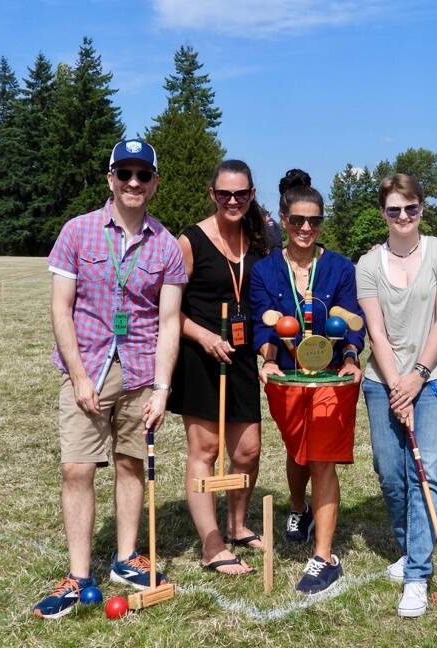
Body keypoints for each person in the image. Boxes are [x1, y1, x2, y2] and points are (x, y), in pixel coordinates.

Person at [34, 139, 186, 619]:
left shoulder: (166, 245)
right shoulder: (77, 232)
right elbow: (60, 307)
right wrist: (79, 376)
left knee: (130, 464)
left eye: (143, 174)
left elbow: (169, 322)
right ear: (111, 179)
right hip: (89, 369)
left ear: (155, 182)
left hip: (142, 373)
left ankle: (125, 559)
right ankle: (79, 576)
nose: (134, 183)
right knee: (76, 469)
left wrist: (162, 388)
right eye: (125, 173)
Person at [251, 169, 364, 595]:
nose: (305, 228)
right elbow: (263, 328)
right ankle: (298, 508)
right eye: (297, 220)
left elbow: (354, 321)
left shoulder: (339, 267)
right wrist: (268, 358)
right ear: (282, 218)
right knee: (297, 451)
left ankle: (324, 557)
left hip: (332, 380)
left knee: (321, 457)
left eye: (314, 221)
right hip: (285, 378)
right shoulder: (265, 271)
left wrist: (351, 355)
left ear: (322, 223)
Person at [356, 173, 437, 617]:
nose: (403, 216)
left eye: (411, 208)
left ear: (422, 208)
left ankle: (417, 576)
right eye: (394, 209)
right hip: (383, 382)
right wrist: (398, 384)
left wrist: (417, 376)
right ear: (383, 213)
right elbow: (376, 331)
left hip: (435, 377)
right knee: (390, 472)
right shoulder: (368, 264)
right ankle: (411, 547)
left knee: (426, 472)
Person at [167, 160, 267, 576]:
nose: (232, 200)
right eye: (224, 194)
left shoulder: (259, 239)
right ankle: (211, 545)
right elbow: (169, 310)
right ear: (212, 194)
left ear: (251, 195)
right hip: (201, 356)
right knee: (205, 451)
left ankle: (237, 525)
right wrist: (204, 337)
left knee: (248, 450)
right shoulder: (188, 241)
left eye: (240, 194)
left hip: (241, 355)